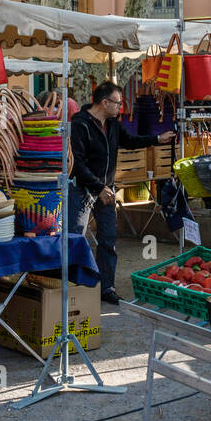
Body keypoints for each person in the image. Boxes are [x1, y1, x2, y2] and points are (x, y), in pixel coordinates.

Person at [70, 81, 174, 304]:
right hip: (83, 189)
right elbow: (76, 163)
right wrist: (99, 187)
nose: (121, 108)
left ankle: (106, 287)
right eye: (117, 103)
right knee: (75, 238)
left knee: (108, 239)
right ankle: (72, 287)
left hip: (107, 189)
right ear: (104, 102)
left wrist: (156, 139)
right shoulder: (80, 124)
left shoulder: (113, 123)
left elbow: (129, 141)